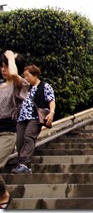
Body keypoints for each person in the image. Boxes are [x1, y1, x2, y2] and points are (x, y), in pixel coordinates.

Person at [13, 64, 56, 174]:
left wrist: (51, 113)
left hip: (35, 117)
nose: (26, 78)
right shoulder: (25, 87)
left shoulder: (45, 86)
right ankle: (25, 166)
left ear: (35, 75)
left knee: (29, 137)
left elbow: (51, 100)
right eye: (24, 76)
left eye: (28, 75)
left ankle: (23, 163)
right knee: (19, 140)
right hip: (22, 117)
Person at [0, 50, 29, 209]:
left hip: (6, 133)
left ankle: (3, 194)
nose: (3, 69)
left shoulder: (21, 85)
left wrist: (11, 56)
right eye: (2, 66)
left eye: (6, 66)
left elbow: (13, 73)